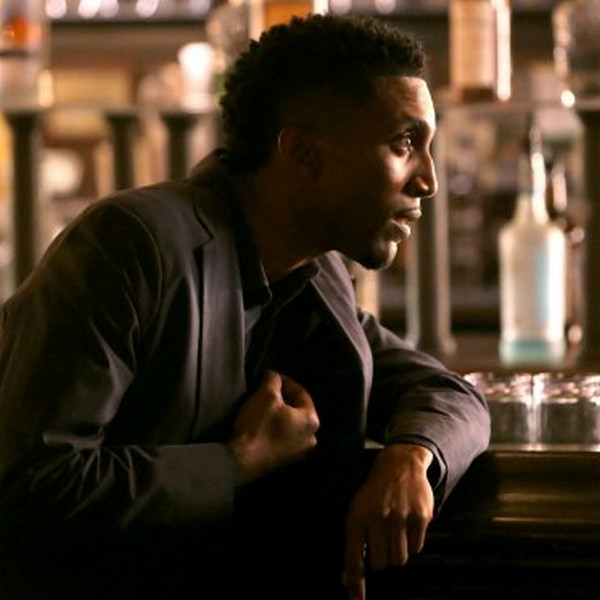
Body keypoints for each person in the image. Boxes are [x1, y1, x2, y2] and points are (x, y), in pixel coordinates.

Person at [0, 13, 490, 600]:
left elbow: (449, 392)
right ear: (303, 153)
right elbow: (32, 488)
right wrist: (236, 463)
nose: (428, 180)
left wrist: (413, 457)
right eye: (404, 144)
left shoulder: (316, 273)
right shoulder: (131, 242)